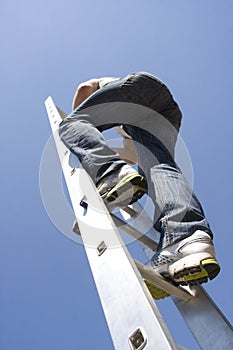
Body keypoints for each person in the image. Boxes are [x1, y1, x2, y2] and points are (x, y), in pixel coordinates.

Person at [59, 72, 220, 288]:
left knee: (71, 125)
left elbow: (84, 87)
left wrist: (81, 126)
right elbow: (133, 156)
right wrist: (104, 154)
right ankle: (185, 237)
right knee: (157, 168)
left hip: (140, 89)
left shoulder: (110, 89)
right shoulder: (126, 125)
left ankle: (111, 174)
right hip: (165, 111)